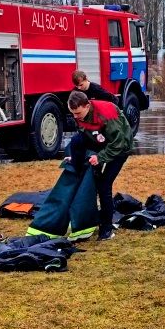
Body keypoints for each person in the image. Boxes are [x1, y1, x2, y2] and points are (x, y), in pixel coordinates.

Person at [66, 90, 135, 240]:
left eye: (78, 113)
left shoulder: (106, 113)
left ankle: (107, 229)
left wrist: (100, 157)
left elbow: (119, 143)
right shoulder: (79, 114)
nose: (76, 117)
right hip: (101, 143)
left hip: (120, 148)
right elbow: (83, 135)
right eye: (73, 113)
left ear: (87, 105)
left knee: (104, 185)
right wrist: (76, 157)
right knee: (75, 141)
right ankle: (80, 178)